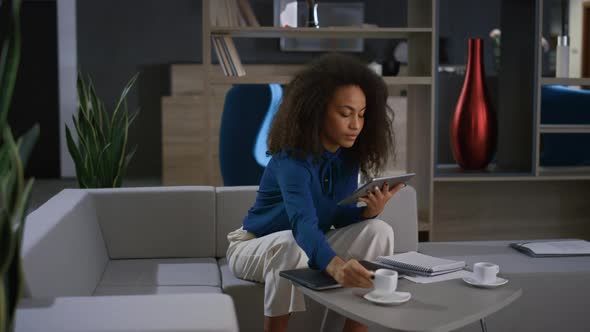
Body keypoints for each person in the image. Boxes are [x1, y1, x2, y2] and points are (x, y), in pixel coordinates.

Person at [226, 53, 405, 332]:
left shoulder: (347, 158)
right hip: (255, 246)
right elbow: (302, 223)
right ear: (317, 111)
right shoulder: (290, 161)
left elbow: (333, 215)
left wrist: (369, 211)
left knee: (379, 230)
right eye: (345, 114)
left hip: (303, 244)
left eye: (361, 114)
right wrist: (335, 267)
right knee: (289, 243)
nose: (356, 124)